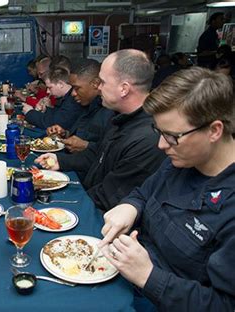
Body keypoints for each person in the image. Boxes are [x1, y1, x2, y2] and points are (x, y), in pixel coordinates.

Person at [98, 67, 235, 311]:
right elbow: (144, 192)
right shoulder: (182, 160)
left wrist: (148, 276)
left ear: (215, 130)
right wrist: (130, 207)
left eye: (172, 136)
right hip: (126, 277)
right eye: (159, 132)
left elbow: (223, 305)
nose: (162, 145)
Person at [36, 49, 166, 211]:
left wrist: (63, 203)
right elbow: (100, 156)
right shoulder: (119, 116)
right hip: (91, 196)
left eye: (102, 82)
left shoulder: (147, 138)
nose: (98, 88)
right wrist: (60, 161)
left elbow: (110, 196)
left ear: (124, 89)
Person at [47, 59, 113, 153]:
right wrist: (64, 133)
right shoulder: (87, 104)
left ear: (95, 83)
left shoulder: (110, 111)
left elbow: (110, 152)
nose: (73, 93)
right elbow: (82, 135)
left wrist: (86, 146)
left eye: (77, 88)